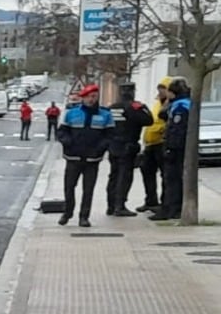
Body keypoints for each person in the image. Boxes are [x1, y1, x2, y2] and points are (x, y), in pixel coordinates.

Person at [57, 83, 114, 228]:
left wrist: (101, 148)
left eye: (94, 96)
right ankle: (67, 212)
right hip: (73, 157)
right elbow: (62, 132)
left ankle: (84, 216)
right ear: (82, 98)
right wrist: (67, 143)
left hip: (92, 159)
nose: (91, 99)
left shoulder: (105, 114)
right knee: (69, 187)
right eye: (88, 97)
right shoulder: (71, 113)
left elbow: (110, 136)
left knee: (88, 189)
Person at [105, 85, 152, 217]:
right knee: (124, 176)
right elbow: (149, 120)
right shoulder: (134, 107)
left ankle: (111, 205)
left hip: (113, 146)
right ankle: (120, 206)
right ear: (132, 93)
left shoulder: (112, 108)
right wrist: (143, 107)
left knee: (113, 176)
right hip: (128, 146)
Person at [153, 77, 193, 221]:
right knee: (175, 179)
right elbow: (162, 115)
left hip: (176, 149)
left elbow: (177, 129)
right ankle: (173, 208)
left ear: (172, 92)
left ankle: (171, 209)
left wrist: (170, 148)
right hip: (182, 148)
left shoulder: (180, 107)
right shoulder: (183, 103)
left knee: (172, 179)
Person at [138, 78, 171, 213]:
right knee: (147, 172)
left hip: (162, 143)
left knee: (165, 175)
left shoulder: (171, 104)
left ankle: (165, 203)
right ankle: (151, 201)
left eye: (163, 89)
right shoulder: (158, 102)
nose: (160, 91)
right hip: (150, 143)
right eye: (159, 89)